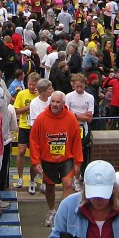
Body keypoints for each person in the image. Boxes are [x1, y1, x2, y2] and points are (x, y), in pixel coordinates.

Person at [30, 89, 84, 228]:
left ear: (63, 104)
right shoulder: (42, 118)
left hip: (66, 158)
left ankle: (63, 214)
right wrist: (35, 161)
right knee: (49, 187)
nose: (54, 104)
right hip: (47, 159)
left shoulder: (71, 118)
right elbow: (34, 140)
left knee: (68, 184)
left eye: (58, 102)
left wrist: (78, 162)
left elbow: (76, 141)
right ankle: (52, 210)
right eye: (53, 101)